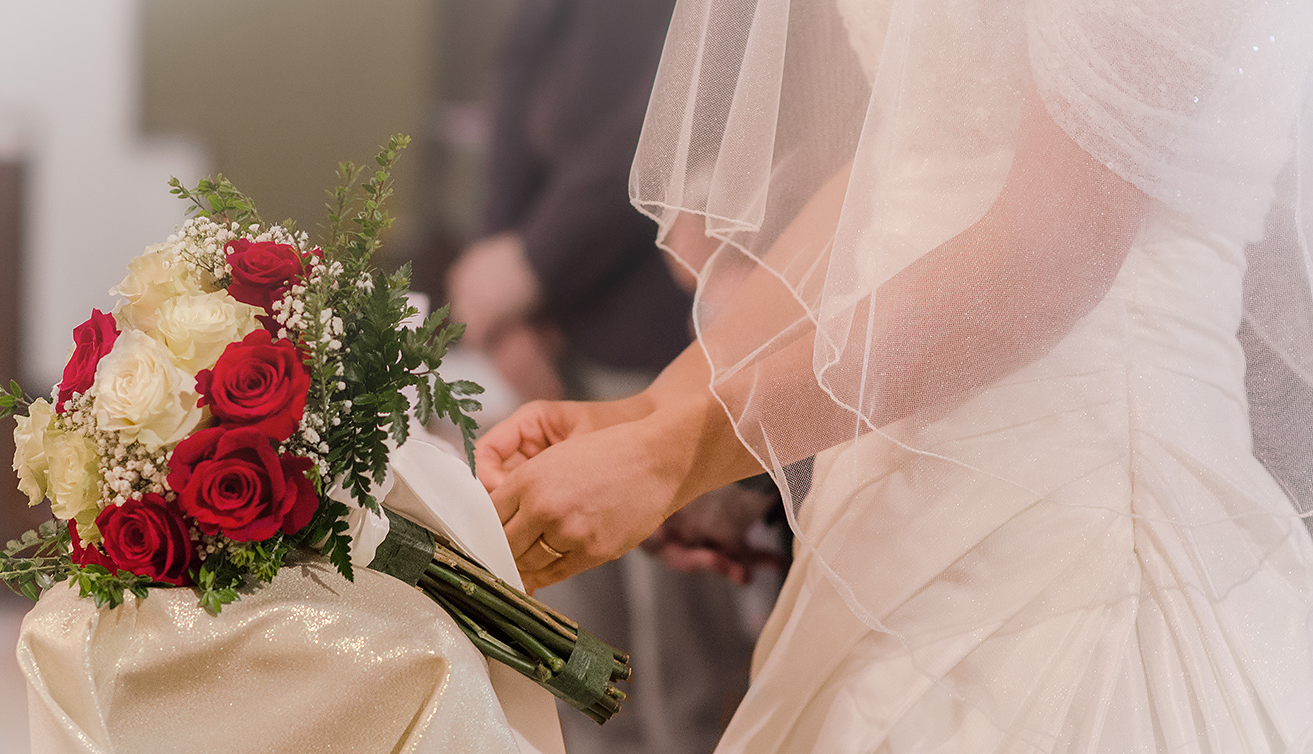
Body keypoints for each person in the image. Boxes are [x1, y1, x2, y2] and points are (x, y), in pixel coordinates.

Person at [476, 0, 1313, 750]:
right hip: (887, 483)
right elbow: (899, 168)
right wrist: (659, 410)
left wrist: (683, 452)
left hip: (1083, 495)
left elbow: (1050, 254)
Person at [446, 1, 785, 752]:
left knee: (681, 668)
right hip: (556, 342)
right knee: (575, 660)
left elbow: (649, 136)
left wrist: (532, 264)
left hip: (667, 337)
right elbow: (511, 120)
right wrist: (504, 308)